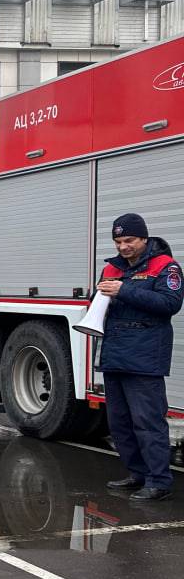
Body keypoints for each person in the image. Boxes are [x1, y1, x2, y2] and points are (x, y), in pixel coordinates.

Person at [96, 213, 184, 501]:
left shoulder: (166, 267)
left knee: (147, 421)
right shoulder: (110, 269)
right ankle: (137, 474)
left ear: (144, 239)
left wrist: (124, 289)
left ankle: (159, 481)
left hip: (145, 357)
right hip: (114, 353)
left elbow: (170, 304)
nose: (123, 247)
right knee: (119, 422)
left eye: (129, 240)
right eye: (118, 241)